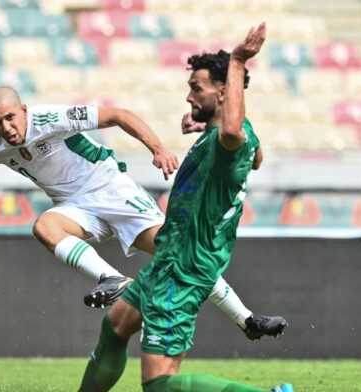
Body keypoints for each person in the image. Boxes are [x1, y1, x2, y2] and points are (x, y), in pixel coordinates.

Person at [0, 84, 285, 340]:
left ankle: (247, 319)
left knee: (181, 256)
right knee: (45, 227)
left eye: (11, 118)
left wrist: (157, 148)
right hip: (75, 208)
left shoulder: (51, 118)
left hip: (111, 190)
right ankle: (112, 279)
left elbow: (118, 115)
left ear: (24, 110)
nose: (7, 128)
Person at [78, 23, 294, 392]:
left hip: (184, 270)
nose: (189, 97)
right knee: (115, 325)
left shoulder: (229, 140)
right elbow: (256, 156)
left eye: (197, 88)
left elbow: (234, 137)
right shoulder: (230, 137)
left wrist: (239, 60)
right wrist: (203, 124)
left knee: (160, 385)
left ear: (224, 92)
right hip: (168, 260)